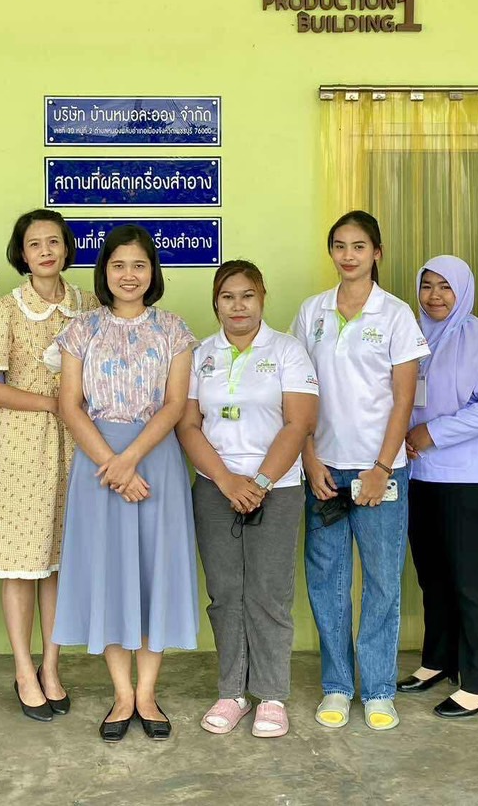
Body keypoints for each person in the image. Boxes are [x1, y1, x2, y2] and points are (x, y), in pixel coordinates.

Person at [54, 224, 199, 742]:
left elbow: (175, 405)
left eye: (139, 265)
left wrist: (129, 460)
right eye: (118, 265)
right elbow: (69, 404)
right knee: (109, 574)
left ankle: (147, 694)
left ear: (152, 272)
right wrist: (112, 464)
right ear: (105, 272)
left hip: (155, 460)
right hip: (98, 463)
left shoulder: (174, 329)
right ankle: (121, 694)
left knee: (154, 571)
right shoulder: (81, 329)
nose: (129, 275)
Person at [293, 210, 428, 732]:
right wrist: (309, 458)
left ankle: (377, 690)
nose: (348, 255)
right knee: (327, 581)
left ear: (377, 253)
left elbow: (403, 399)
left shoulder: (395, 315)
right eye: (340, 246)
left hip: (380, 472)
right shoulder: (312, 312)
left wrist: (381, 467)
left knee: (382, 582)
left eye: (359, 246)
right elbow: (297, 393)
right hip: (324, 469)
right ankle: (336, 684)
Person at [177, 260, 319, 739]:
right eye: (227, 297)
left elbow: (299, 423)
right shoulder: (200, 354)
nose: (238, 306)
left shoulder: (287, 350)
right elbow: (188, 425)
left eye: (247, 296)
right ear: (215, 303)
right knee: (226, 594)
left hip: (277, 487)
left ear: (262, 298)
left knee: (268, 592)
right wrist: (227, 481)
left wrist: (258, 482)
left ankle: (272, 695)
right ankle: (232, 692)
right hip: (215, 487)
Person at [0, 209, 98, 721]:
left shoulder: (88, 306)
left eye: (53, 242)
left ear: (66, 248)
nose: (45, 251)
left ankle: (51, 666)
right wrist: (52, 404)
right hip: (23, 444)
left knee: (58, 560)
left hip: (78, 443)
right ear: (21, 254)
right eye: (34, 244)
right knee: (21, 562)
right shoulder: (5, 310)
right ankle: (23, 670)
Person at [400, 255, 478, 718]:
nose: (435, 296)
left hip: (468, 476)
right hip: (418, 473)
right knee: (432, 573)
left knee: (470, 578)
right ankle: (439, 658)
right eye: (427, 285)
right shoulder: (412, 335)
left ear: (463, 291)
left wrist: (432, 432)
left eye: (445, 287)